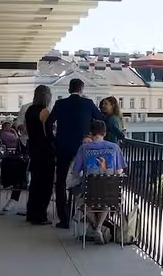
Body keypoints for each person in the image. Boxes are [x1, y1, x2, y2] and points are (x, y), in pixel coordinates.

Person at [46, 78, 104, 229]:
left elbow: (49, 123)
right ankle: (88, 215)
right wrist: (91, 136)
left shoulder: (60, 104)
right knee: (88, 179)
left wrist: (54, 140)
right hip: (84, 148)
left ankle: (64, 219)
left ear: (69, 89)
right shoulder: (88, 103)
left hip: (63, 147)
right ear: (82, 89)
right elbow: (101, 120)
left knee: (60, 182)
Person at [71, 120, 127, 244]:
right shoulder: (114, 147)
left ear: (90, 133)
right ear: (105, 133)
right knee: (107, 199)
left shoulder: (84, 148)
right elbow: (119, 171)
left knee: (81, 201)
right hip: (110, 195)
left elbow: (76, 173)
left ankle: (96, 227)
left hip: (89, 193)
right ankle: (99, 227)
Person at [20, 85, 54, 222]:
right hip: (45, 151)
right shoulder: (45, 111)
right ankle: (40, 215)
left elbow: (27, 130)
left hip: (33, 148)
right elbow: (48, 133)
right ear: (47, 96)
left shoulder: (29, 110)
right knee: (45, 185)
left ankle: (31, 213)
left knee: (35, 184)